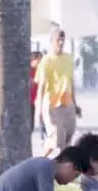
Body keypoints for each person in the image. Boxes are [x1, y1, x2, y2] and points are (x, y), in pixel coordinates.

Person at [34, 27, 79, 156]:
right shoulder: (46, 61)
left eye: (62, 40)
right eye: (58, 40)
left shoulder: (68, 59)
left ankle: (64, 171)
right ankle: (39, 162)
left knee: (68, 139)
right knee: (55, 140)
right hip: (52, 105)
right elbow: (41, 86)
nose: (60, 43)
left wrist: (75, 104)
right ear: (51, 41)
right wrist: (39, 110)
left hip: (68, 103)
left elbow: (71, 82)